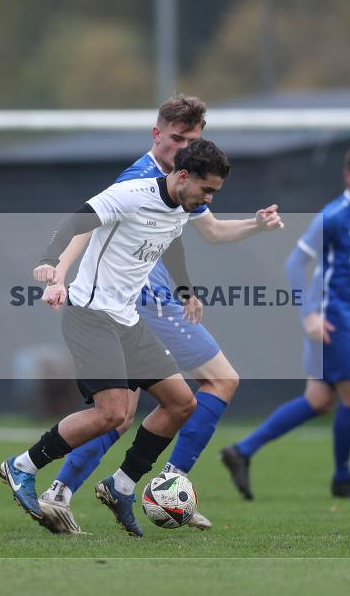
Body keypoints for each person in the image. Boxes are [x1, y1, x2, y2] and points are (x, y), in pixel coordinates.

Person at [35, 95, 283, 534]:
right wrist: (59, 272)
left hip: (152, 301)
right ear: (157, 135)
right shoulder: (142, 178)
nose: (182, 146)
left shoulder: (185, 179)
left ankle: (61, 492)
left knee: (121, 411)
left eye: (192, 139)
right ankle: (168, 486)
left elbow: (204, 232)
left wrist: (254, 226)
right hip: (140, 303)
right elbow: (85, 226)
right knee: (219, 380)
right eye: (176, 138)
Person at [0, 138, 231, 537]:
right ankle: (22, 466)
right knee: (112, 413)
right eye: (206, 189)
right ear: (182, 175)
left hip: (126, 318)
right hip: (90, 314)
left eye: (214, 192)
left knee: (181, 403)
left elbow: (169, 245)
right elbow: (77, 220)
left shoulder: (181, 208)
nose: (208, 198)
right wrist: (49, 264)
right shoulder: (130, 194)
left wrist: (186, 291)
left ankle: (120, 486)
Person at [221, 146, 350, 500]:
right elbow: (294, 264)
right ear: (347, 176)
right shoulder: (333, 217)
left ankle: (242, 451)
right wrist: (310, 316)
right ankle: (342, 479)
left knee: (318, 399)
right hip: (332, 317)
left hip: (341, 315)